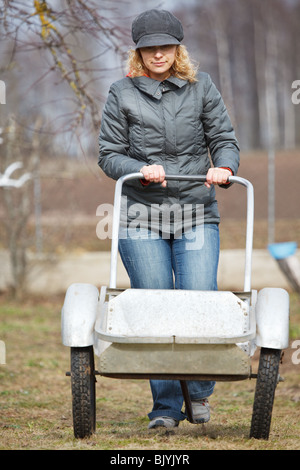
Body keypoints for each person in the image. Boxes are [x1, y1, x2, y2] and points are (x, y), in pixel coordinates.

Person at [98, 9, 239, 429]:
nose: (157, 54)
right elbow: (108, 154)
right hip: (141, 214)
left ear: (177, 49)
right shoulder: (121, 92)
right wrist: (138, 169)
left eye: (165, 46)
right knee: (154, 305)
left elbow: (223, 137)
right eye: (148, 48)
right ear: (138, 52)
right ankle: (164, 409)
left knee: (198, 298)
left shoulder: (202, 87)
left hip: (196, 209)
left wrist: (225, 168)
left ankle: (196, 392)